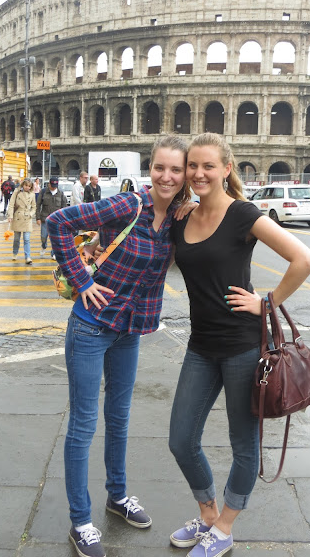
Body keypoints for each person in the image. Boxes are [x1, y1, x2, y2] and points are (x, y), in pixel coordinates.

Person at [168, 133, 310, 557]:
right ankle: (208, 514)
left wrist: (267, 302)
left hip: (242, 348)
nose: (199, 173)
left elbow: (305, 259)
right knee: (181, 440)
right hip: (201, 346)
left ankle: (225, 527)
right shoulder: (183, 216)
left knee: (243, 445)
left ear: (226, 169)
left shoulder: (242, 214)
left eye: (208, 166)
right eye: (193, 165)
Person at [46, 135, 194, 557]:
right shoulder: (129, 205)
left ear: (185, 174)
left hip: (129, 330)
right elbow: (59, 223)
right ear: (150, 169)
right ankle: (81, 521)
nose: (167, 177)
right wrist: (82, 281)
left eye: (176, 170)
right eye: (160, 167)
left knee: (120, 417)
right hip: (91, 327)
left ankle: (117, 495)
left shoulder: (179, 218)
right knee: (83, 424)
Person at [36, 177, 68, 259]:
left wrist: (63, 219)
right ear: (49, 184)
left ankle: (54, 253)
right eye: (52, 186)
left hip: (56, 220)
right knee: (44, 236)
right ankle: (43, 246)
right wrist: (38, 218)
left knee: (55, 238)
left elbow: (64, 207)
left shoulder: (60, 193)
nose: (54, 188)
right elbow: (38, 205)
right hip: (45, 218)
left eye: (55, 186)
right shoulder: (43, 192)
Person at [6, 177, 36, 264]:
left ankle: (28, 257)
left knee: (26, 239)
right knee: (16, 238)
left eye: (29, 186)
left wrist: (31, 214)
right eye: (26, 185)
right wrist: (10, 215)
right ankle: (15, 253)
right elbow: (11, 204)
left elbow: (34, 207)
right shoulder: (17, 192)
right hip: (18, 216)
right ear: (23, 185)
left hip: (27, 218)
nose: (27, 187)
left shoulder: (32, 194)